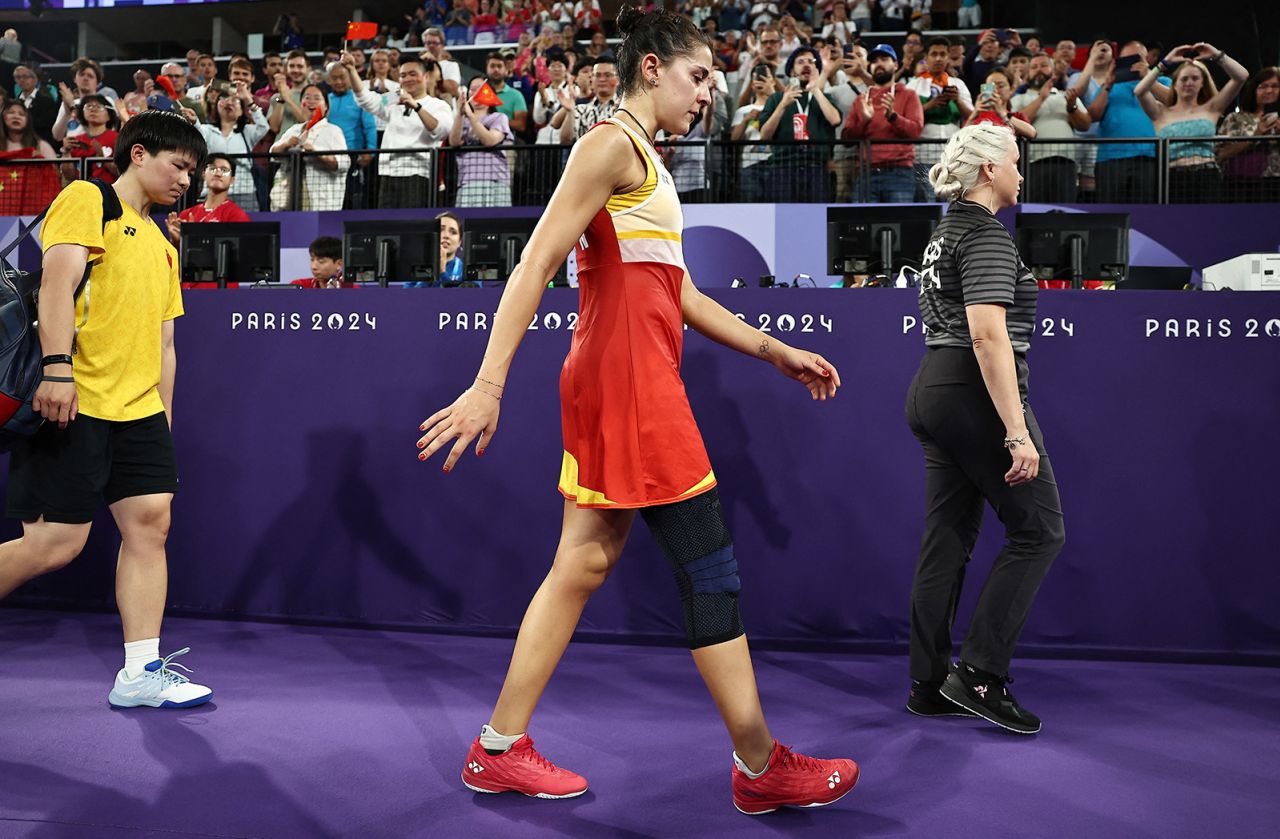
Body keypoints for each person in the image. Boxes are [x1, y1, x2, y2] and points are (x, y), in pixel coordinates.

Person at [417, 6, 857, 815]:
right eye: (698, 76)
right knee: (710, 567)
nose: (709, 96)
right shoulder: (608, 145)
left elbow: (676, 289)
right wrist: (489, 382)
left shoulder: (644, 157)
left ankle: (497, 749)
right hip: (627, 385)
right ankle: (759, 764)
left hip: (627, 378)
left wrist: (773, 348)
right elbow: (535, 263)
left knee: (581, 565)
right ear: (649, 67)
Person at [0, 110, 212, 710]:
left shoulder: (165, 241)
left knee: (151, 526)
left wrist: (163, 416)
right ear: (138, 154)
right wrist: (58, 369)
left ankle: (140, 673)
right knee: (53, 546)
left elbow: (166, 343)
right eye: (178, 166)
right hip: (74, 399)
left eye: (193, 172)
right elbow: (55, 286)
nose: (185, 182)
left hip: (139, 411)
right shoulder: (87, 198)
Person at [905, 122, 1064, 735]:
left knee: (947, 536)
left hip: (933, 388)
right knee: (1039, 532)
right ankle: (978, 676)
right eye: (1017, 163)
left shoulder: (946, 231)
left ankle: (928, 682)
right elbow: (988, 334)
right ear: (991, 172)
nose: (1022, 173)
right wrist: (1016, 431)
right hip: (972, 390)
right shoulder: (987, 235)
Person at [1134, 42, 1248, 203]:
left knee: (1207, 224)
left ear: (1202, 83)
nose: (1189, 82)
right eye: (1184, 78)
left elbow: (1241, 76)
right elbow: (1139, 91)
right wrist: (1166, 61)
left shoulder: (1211, 108)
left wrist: (1216, 54)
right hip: (1171, 177)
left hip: (1206, 176)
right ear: (1175, 84)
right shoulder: (1161, 112)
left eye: (1195, 78)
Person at [344, 53, 453, 209]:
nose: (407, 79)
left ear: (426, 76)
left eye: (412, 74)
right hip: (388, 173)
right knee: (386, 227)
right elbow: (366, 99)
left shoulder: (438, 105)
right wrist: (351, 70)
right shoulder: (394, 98)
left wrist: (417, 107)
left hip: (418, 174)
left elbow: (441, 131)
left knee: (411, 226)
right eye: (402, 75)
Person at [758, 44, 843, 201]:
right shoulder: (776, 98)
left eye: (811, 62)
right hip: (782, 168)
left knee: (815, 221)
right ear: (791, 71)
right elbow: (764, 135)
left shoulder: (824, 98)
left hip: (816, 168)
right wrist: (783, 104)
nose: (807, 65)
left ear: (816, 70)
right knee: (783, 221)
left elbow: (835, 119)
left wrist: (815, 89)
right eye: (801, 62)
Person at [842, 43, 924, 203]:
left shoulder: (909, 95)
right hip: (866, 173)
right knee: (863, 225)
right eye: (874, 61)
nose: (878, 63)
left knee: (900, 225)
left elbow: (915, 132)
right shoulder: (861, 99)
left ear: (895, 65)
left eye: (884, 59)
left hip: (899, 173)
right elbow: (846, 139)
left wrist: (893, 117)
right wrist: (864, 121)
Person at [1012, 52, 1092, 202]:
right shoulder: (1019, 99)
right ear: (1028, 74)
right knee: (1034, 212)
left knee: (1065, 212)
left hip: (1066, 163)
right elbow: (1014, 123)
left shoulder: (1066, 96)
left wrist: (1072, 107)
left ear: (1053, 71)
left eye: (1044, 65)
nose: (1039, 69)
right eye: (1034, 67)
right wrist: (1041, 98)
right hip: (1032, 164)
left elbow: (1085, 125)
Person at [907, 37, 974, 202]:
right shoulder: (913, 85)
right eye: (934, 54)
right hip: (923, 154)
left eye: (942, 54)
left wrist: (957, 100)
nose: (938, 58)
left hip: (953, 156)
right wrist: (931, 104)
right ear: (926, 57)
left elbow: (973, 116)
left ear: (948, 58)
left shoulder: (958, 84)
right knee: (928, 203)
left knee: (953, 202)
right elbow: (906, 117)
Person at [270, 84, 350, 211]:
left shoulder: (333, 131)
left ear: (326, 106)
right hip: (289, 199)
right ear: (301, 104)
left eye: (317, 98)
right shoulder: (294, 130)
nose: (311, 101)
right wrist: (286, 145)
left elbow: (343, 164)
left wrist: (316, 153)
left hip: (322, 202)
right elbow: (272, 153)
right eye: (307, 97)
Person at [193, 79, 268, 211]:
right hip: (212, 191)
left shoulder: (247, 132)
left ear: (241, 111)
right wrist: (194, 121)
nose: (229, 102)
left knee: (246, 231)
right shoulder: (207, 130)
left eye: (235, 101)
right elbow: (197, 131)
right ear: (216, 106)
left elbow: (263, 127)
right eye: (223, 99)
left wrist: (248, 99)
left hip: (244, 193)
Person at [449, 77, 515, 207]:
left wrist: (471, 116)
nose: (476, 93)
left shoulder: (499, 118)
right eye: (472, 90)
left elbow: (490, 140)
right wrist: (460, 114)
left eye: (480, 89)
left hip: (495, 180)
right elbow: (454, 142)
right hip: (467, 180)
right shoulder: (462, 121)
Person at [1218, 67, 1280, 202]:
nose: (1269, 91)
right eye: (1263, 86)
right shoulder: (1235, 118)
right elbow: (1221, 154)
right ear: (1254, 90)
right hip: (1242, 185)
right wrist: (1255, 136)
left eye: (1275, 86)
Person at [165, 153, 251, 248]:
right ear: (203, 174)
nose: (218, 173)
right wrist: (176, 242)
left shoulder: (237, 216)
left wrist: (194, 238)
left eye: (224, 170)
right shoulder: (186, 215)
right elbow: (178, 256)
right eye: (212, 168)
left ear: (232, 180)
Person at [325, 62, 377, 209]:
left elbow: (370, 126)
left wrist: (371, 151)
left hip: (353, 156)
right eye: (334, 78)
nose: (339, 82)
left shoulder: (359, 99)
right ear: (328, 80)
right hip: (328, 156)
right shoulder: (324, 100)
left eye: (342, 77)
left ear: (350, 77)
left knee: (351, 198)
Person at [0, 100, 60, 216]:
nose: (16, 116)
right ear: (3, 117)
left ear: (28, 120)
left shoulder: (41, 145)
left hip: (30, 208)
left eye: (21, 114)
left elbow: (54, 174)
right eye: (11, 112)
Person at [62, 94, 121, 183]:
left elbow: (121, 172)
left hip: (108, 192)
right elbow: (69, 176)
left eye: (99, 106)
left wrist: (102, 157)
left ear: (109, 115)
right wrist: (66, 151)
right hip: (81, 191)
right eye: (88, 106)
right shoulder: (76, 141)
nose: (93, 109)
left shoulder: (117, 138)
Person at [964, 68, 1035, 139]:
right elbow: (960, 139)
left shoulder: (1016, 116)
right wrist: (974, 114)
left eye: (1000, 86)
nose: (995, 91)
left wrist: (1003, 115)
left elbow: (1032, 133)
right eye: (990, 87)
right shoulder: (976, 117)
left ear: (1011, 89)